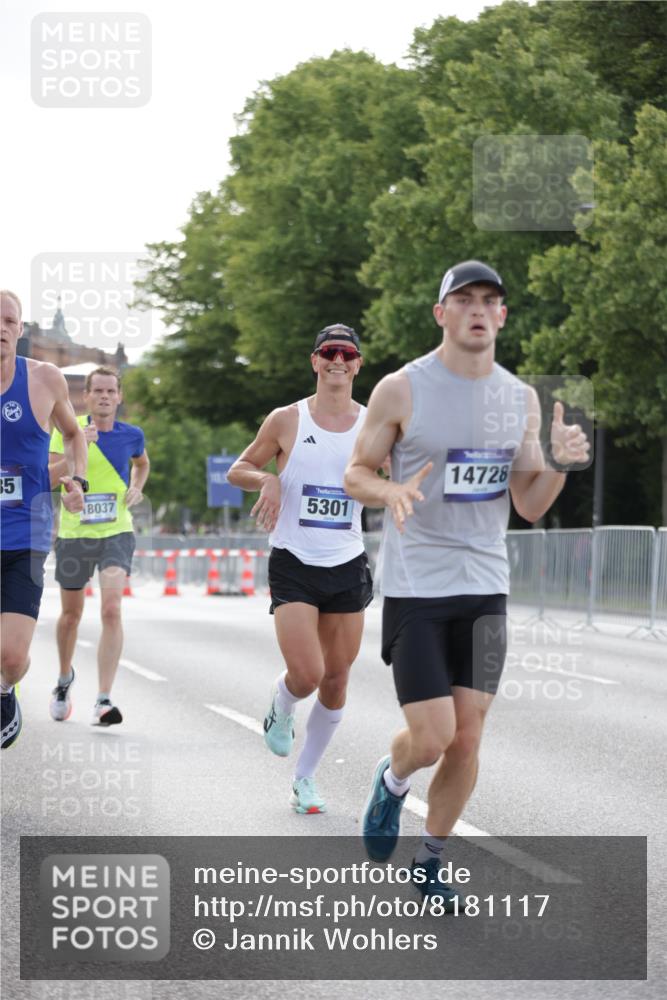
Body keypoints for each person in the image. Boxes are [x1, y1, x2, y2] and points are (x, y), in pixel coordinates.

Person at [344, 261, 590, 906]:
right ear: (442, 314)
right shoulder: (403, 389)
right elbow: (354, 474)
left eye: (490, 300)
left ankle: (429, 861)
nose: (479, 309)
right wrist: (390, 487)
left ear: (502, 316)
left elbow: (530, 502)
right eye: (465, 299)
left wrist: (561, 462)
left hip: (484, 585)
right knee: (431, 738)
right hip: (418, 585)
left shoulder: (520, 399)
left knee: (469, 736)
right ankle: (392, 780)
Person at [228, 324, 374, 815]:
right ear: (315, 361)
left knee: (336, 678)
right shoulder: (286, 420)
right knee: (308, 674)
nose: (338, 360)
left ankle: (305, 779)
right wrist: (266, 479)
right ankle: (282, 702)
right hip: (294, 559)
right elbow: (237, 469)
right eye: (329, 352)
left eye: (347, 353)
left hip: (347, 561)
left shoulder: (375, 424)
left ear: (357, 363)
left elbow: (401, 472)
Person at [1, 289, 87, 749]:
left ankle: (5, 686)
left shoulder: (44, 380)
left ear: (19, 329)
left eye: (9, 320)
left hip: (26, 538)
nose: (1, 327)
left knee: (12, 657)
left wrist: (77, 481)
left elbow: (74, 436)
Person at [48, 366, 150, 726]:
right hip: (75, 534)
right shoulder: (69, 429)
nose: (105, 397)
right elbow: (47, 476)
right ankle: (63, 680)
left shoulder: (132, 434)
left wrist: (137, 486)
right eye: (98, 391)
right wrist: (80, 446)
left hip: (116, 531)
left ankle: (103, 699)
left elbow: (142, 462)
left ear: (119, 397)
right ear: (86, 396)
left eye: (111, 391)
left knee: (111, 609)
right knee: (71, 616)